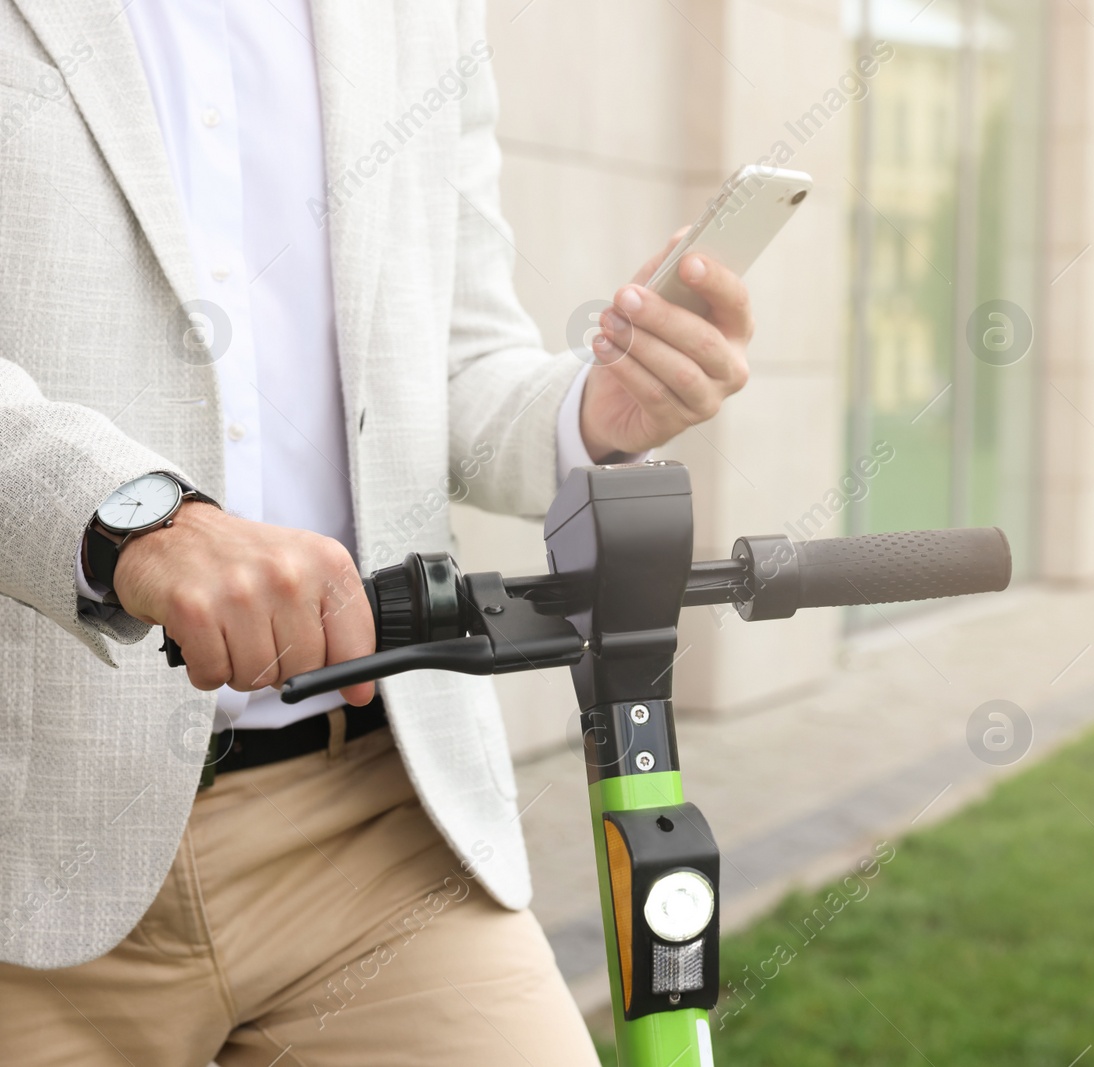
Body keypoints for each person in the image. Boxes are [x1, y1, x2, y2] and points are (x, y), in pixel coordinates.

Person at [0, 2, 751, 1063]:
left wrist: (597, 408)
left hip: (367, 820)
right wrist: (136, 521)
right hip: (27, 831)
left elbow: (456, 364)